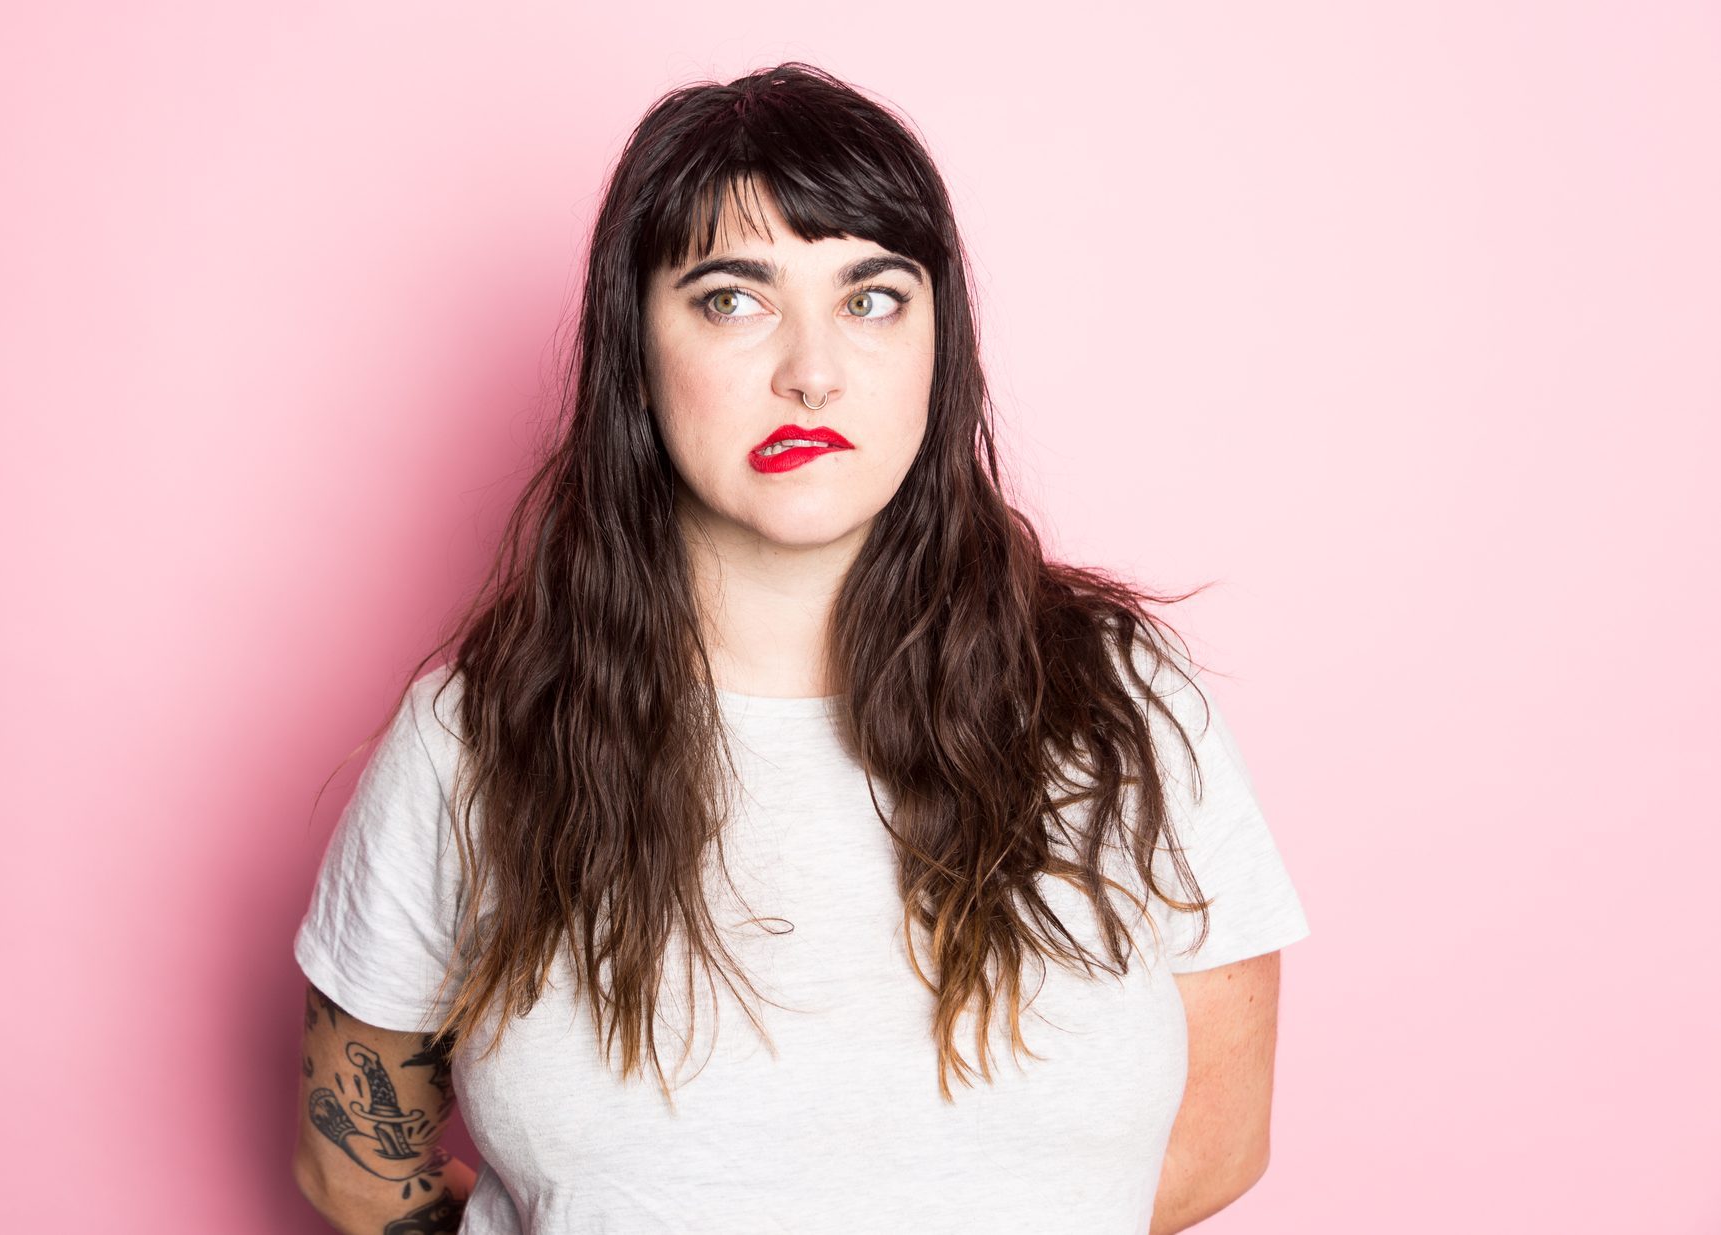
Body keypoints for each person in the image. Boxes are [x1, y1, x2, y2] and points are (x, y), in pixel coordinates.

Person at [290, 62, 1310, 1235]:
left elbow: (1218, 1137)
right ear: (636, 344)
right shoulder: (477, 737)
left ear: (941, 343)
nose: (810, 371)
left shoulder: (1124, 703)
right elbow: (354, 1164)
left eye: (871, 297)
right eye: (733, 298)